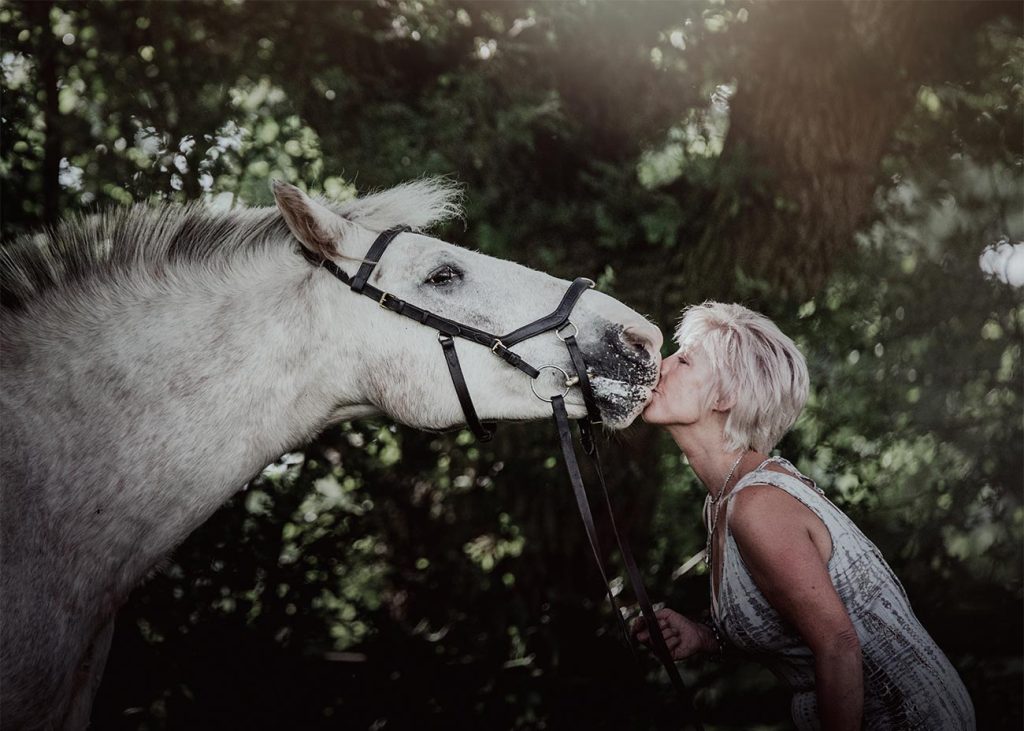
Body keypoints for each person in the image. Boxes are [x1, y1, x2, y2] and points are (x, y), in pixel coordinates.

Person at [634, 302, 975, 731]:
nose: (660, 366)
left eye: (682, 360)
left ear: (724, 397)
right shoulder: (722, 500)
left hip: (908, 719)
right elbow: (788, 628)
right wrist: (703, 637)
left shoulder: (757, 504)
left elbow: (839, 644)